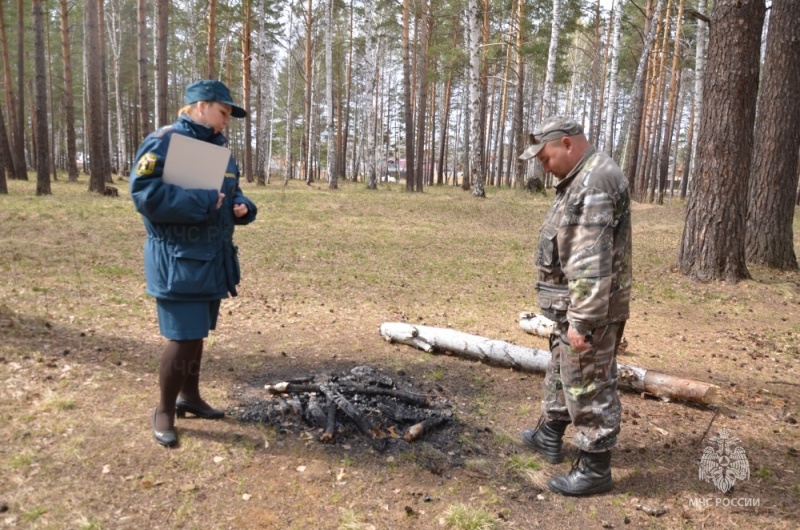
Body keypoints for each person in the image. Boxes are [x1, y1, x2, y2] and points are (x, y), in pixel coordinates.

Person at [130, 80, 258, 447]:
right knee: (183, 336)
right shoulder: (164, 142)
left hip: (211, 257)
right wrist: (206, 202)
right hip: (177, 256)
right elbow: (146, 195)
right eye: (223, 112)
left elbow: (231, 192)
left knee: (196, 334)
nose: (226, 121)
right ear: (200, 106)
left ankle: (190, 397)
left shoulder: (219, 150)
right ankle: (164, 410)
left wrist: (243, 206)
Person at [518, 116, 632, 496]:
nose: (542, 166)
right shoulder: (581, 177)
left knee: (588, 382)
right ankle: (550, 433)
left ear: (566, 143)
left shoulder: (595, 181)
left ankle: (595, 467)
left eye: (545, 157)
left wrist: (582, 321)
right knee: (564, 367)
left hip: (589, 309)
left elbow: (590, 259)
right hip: (573, 304)